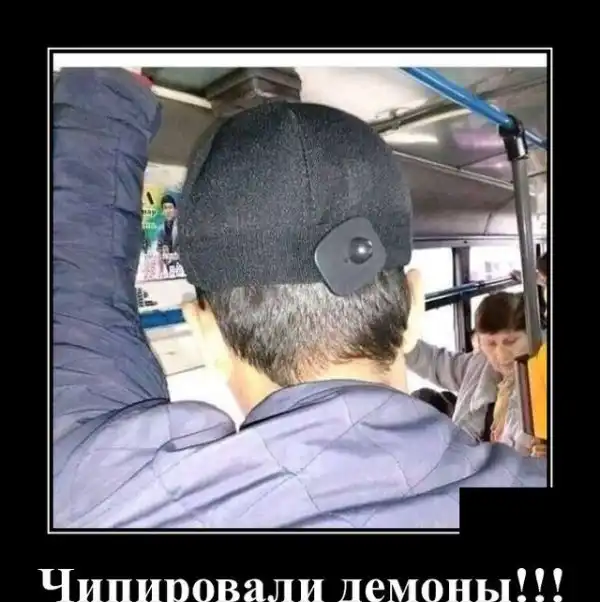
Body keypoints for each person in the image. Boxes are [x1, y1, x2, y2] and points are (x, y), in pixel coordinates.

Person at [53, 68, 546, 530]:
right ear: (414, 309)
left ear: (206, 336)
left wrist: (106, 83)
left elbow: (81, 300)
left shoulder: (102, 501)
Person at [406, 291, 543, 456]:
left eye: (510, 342)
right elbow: (433, 362)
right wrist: (397, 341)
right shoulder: (479, 366)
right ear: (480, 342)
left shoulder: (544, 378)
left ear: (533, 335)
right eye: (491, 344)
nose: (501, 355)